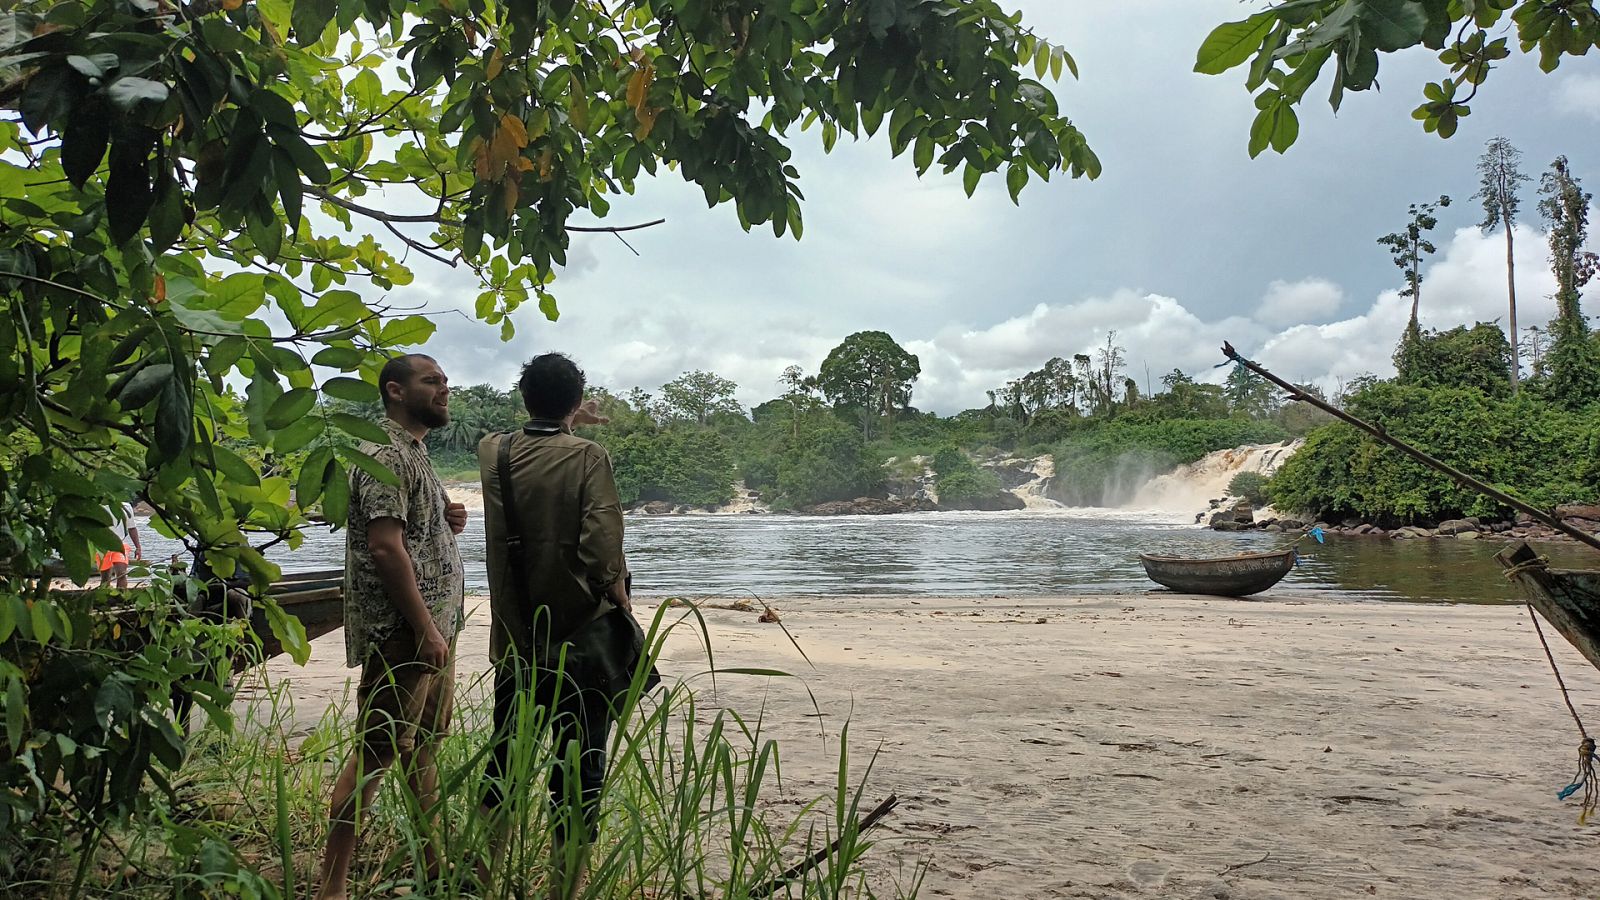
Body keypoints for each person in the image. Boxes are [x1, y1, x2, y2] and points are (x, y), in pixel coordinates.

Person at [316, 353, 468, 900]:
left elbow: (409, 527)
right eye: (432, 382)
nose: (444, 390)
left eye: (445, 381)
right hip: (406, 632)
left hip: (431, 630)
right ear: (395, 391)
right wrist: (426, 629)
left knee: (422, 748)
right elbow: (384, 547)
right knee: (375, 753)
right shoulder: (383, 451)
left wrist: (446, 517)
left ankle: (434, 866)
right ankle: (330, 888)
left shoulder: (414, 450)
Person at [478, 353, 628, 898]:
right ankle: (565, 887)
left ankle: (486, 878)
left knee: (505, 759)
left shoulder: (493, 452)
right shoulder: (589, 456)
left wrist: (564, 416)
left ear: (524, 398)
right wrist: (619, 597)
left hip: (516, 639)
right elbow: (602, 545)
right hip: (578, 641)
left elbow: (514, 433)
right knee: (579, 768)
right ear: (574, 401)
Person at [97, 501, 143, 589]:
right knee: (105, 578)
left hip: (120, 544)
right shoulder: (98, 506)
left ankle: (121, 597)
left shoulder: (125, 506)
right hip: (102, 545)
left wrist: (138, 547)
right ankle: (105, 597)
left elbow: (132, 528)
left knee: (121, 573)